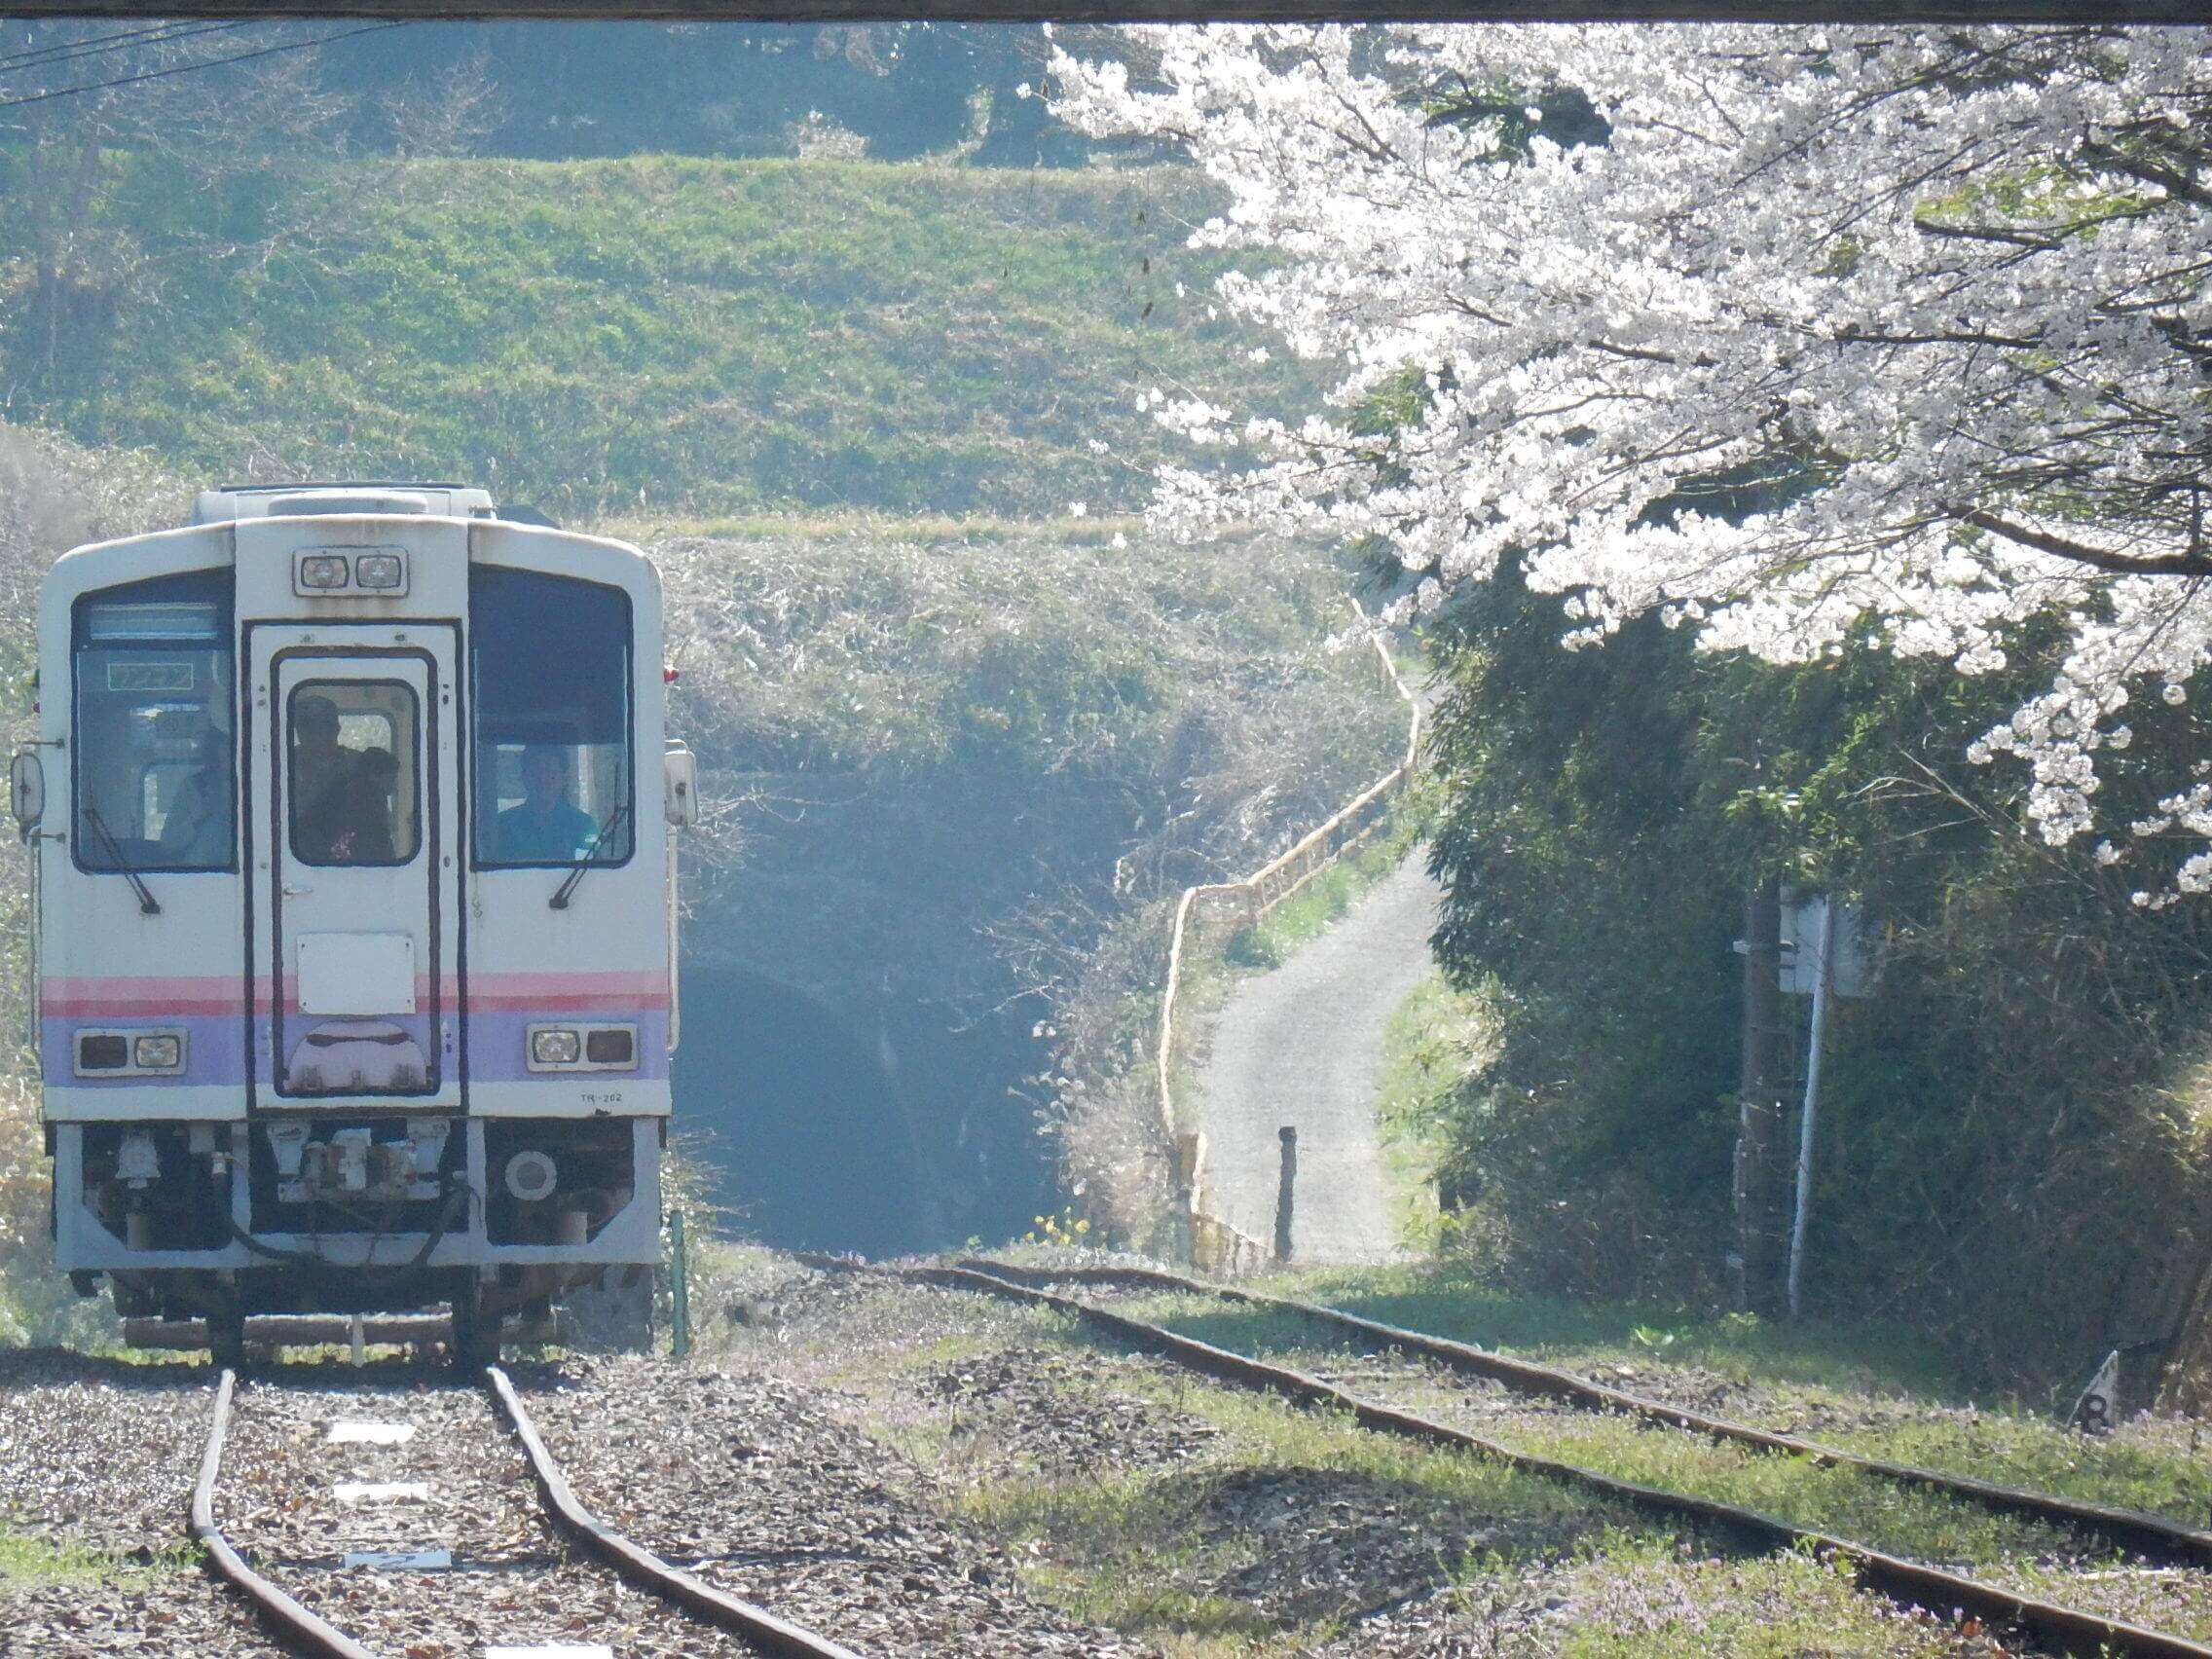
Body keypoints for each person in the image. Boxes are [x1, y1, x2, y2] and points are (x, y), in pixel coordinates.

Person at [495, 745, 600, 863]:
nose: (542, 778)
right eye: (535, 771)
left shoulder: (583, 825)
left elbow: (593, 870)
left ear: (565, 778)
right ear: (524, 777)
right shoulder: (502, 825)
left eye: (549, 771)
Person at [158, 733, 232, 867]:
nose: (231, 752)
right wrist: (197, 818)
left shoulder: (260, 788)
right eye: (225, 745)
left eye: (234, 744)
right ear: (214, 750)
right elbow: (168, 843)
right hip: (198, 877)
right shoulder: (193, 787)